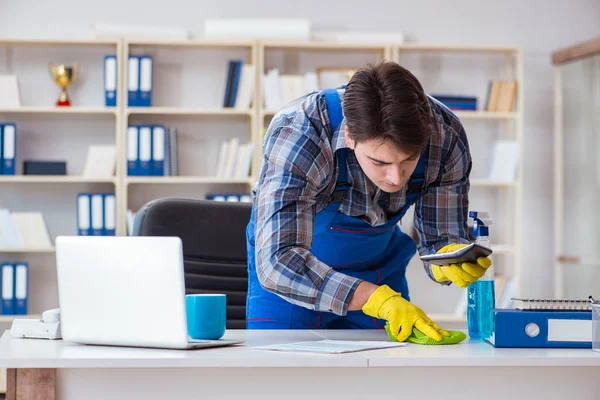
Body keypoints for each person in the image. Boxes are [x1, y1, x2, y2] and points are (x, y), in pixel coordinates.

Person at [245, 61, 492, 342]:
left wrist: (447, 259)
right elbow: (278, 260)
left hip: (380, 274)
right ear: (350, 136)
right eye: (380, 162)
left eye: (409, 159)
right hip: (292, 282)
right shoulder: (301, 133)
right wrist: (375, 299)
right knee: (282, 380)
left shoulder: (445, 137)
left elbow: (441, 237)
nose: (396, 178)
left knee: (384, 380)